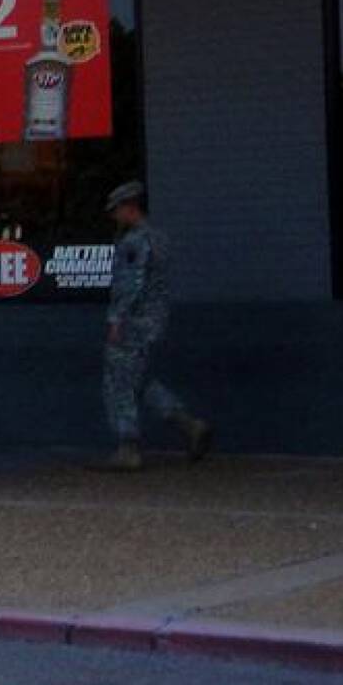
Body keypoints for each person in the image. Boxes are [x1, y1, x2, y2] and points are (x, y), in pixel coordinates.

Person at [95, 180, 209, 470]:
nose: (115, 216)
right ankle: (189, 426)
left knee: (119, 381)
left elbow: (130, 285)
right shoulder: (159, 239)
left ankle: (128, 447)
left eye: (117, 209)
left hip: (134, 322)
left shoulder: (134, 242)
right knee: (140, 380)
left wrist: (116, 319)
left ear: (130, 208)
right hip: (155, 320)